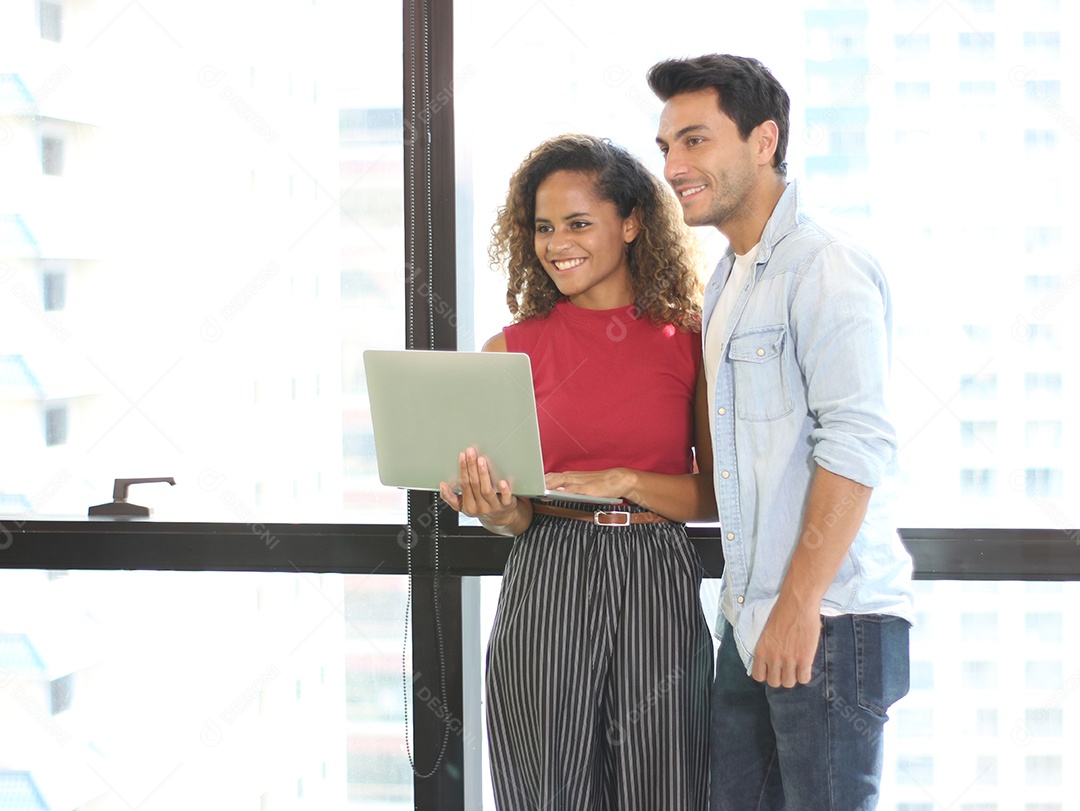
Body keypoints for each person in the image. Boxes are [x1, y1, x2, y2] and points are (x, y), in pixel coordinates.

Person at [647, 54, 915, 810]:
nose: (673, 165)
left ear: (764, 141)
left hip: (830, 620)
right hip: (750, 617)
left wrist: (799, 605)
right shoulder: (729, 277)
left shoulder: (825, 268)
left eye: (695, 141)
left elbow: (856, 445)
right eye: (666, 145)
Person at [439, 133, 716, 810]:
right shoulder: (511, 349)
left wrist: (623, 480)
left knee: (669, 788)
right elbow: (517, 513)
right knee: (547, 793)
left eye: (579, 222)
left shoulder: (691, 339)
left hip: (657, 572)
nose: (556, 242)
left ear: (631, 223)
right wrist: (494, 508)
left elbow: (713, 495)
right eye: (542, 226)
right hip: (548, 572)